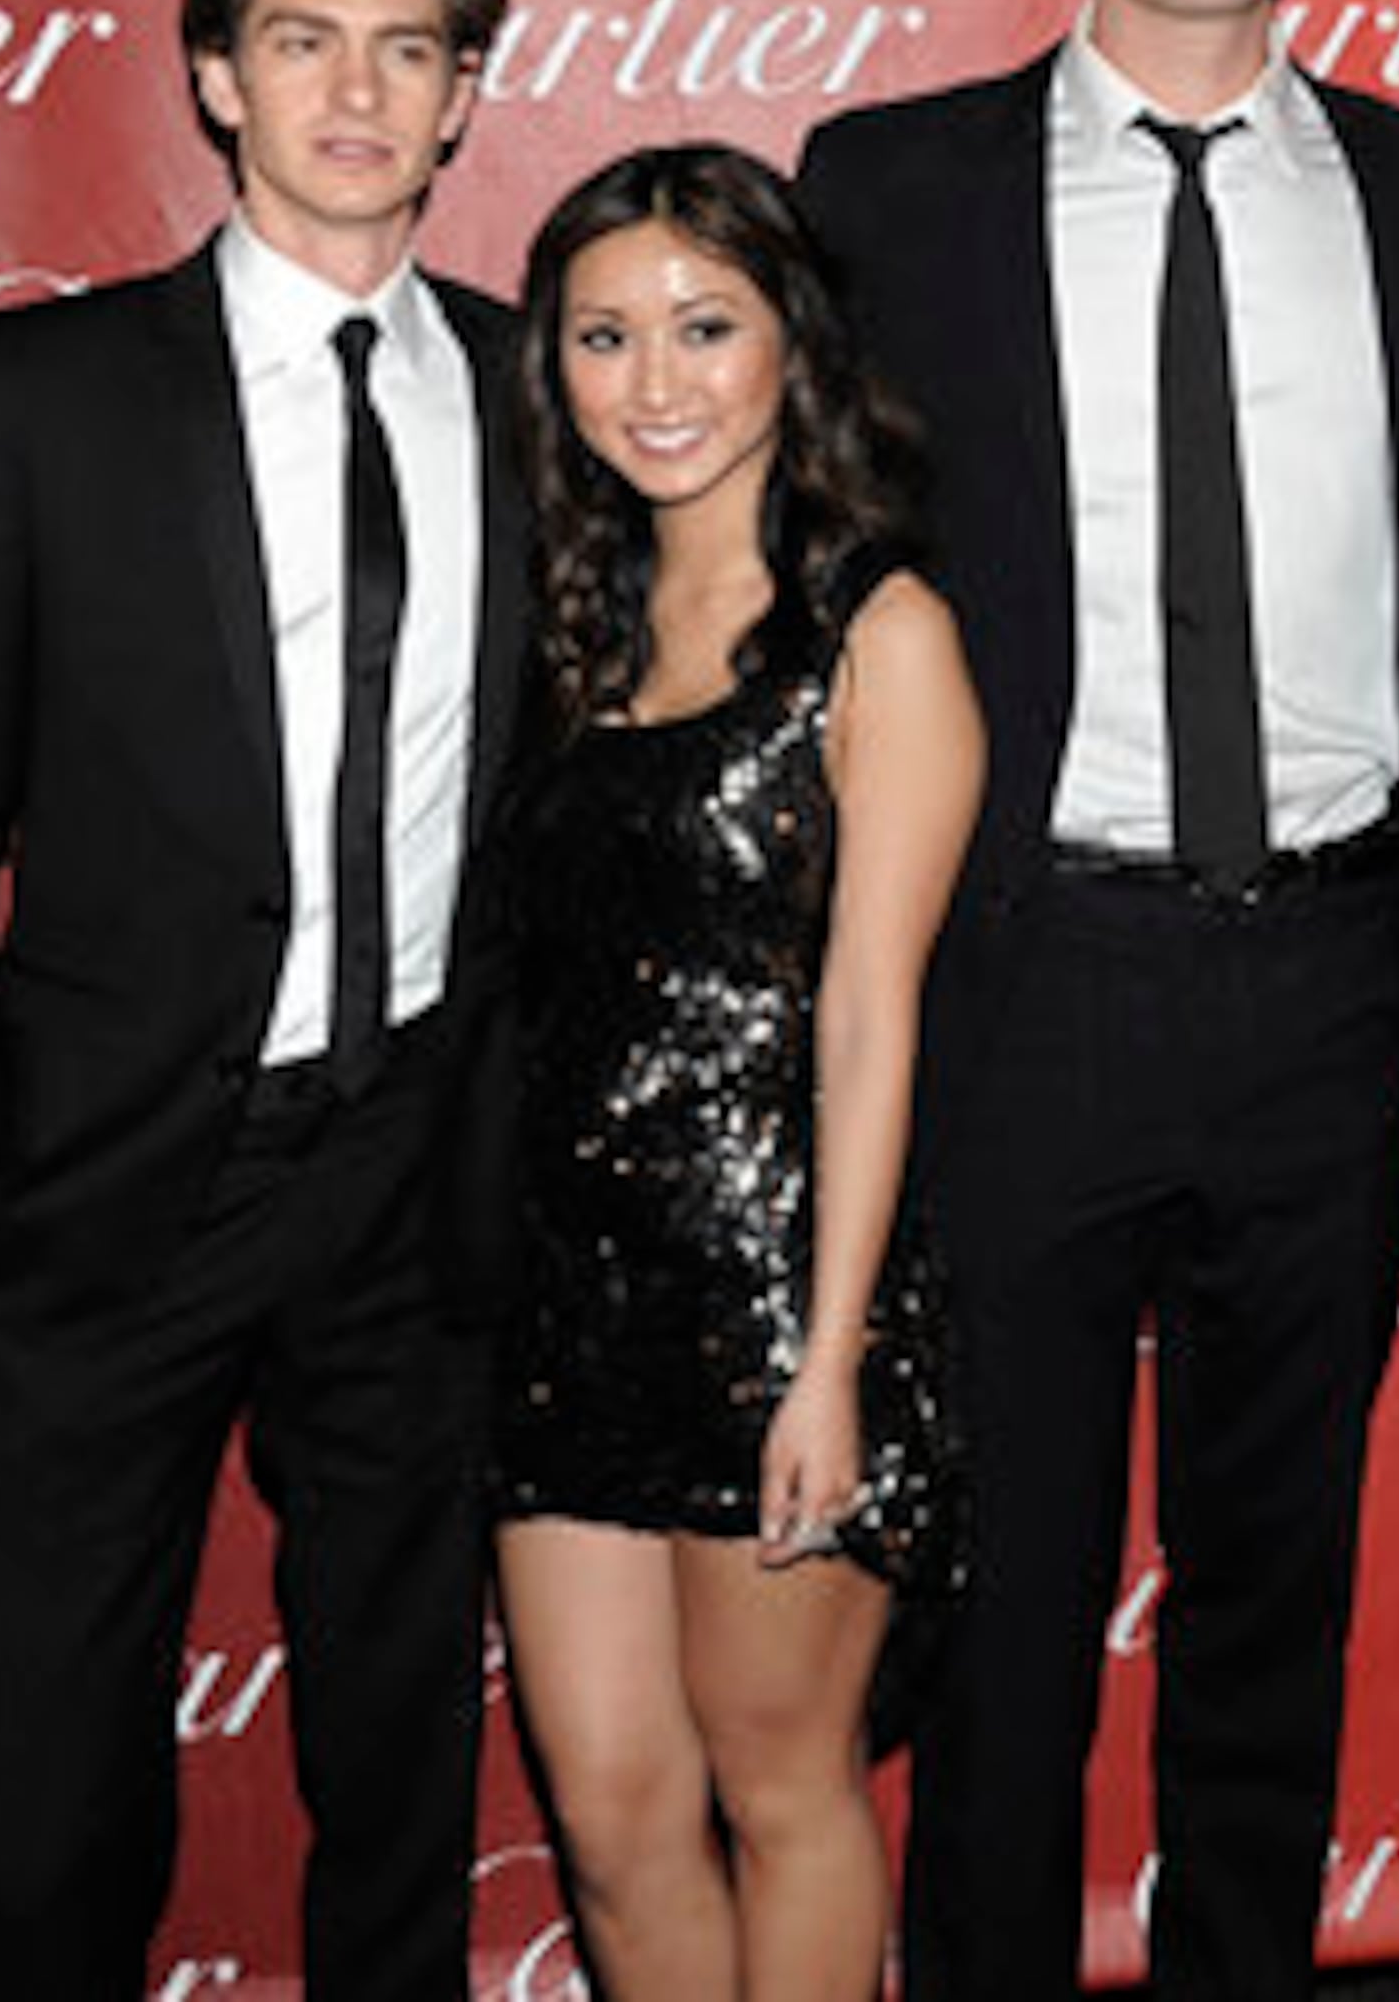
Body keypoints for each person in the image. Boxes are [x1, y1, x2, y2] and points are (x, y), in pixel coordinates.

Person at [792, 0, 1399, 2002]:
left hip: (1326, 982)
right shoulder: (889, 189)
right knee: (997, 1608)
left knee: (1267, 1598)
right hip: (1030, 978)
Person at [0, 0, 520, 1999]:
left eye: (408, 50)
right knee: (51, 1817)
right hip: (100, 1180)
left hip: (415, 1172)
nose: (355, 92)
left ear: (467, 92)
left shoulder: (538, 392)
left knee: (403, 1772)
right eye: (303, 39)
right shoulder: (37, 403)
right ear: (215, 73)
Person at [491, 143, 983, 1999]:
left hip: (783, 1302)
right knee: (614, 1819)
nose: (658, 380)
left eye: (706, 326)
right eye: (606, 338)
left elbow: (871, 1019)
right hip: (562, 1301)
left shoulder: (885, 634)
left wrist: (830, 1360)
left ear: (794, 342)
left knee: (787, 1789)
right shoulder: (563, 628)